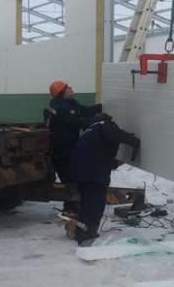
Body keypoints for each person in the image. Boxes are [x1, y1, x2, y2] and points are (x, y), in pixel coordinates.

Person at [68, 116, 140, 245]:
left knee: (86, 204)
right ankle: (87, 236)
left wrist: (114, 163)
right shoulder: (106, 126)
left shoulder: (90, 131)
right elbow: (112, 136)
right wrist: (133, 141)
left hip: (80, 172)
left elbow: (98, 153)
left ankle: (81, 232)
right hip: (93, 174)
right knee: (95, 205)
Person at [44, 80, 103, 214]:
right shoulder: (57, 107)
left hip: (71, 147)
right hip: (61, 149)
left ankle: (72, 204)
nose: (71, 88)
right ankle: (71, 206)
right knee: (70, 178)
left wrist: (102, 107)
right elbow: (76, 122)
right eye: (67, 88)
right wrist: (97, 119)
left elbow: (85, 111)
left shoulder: (71, 103)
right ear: (62, 93)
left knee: (74, 176)